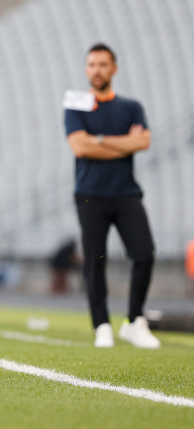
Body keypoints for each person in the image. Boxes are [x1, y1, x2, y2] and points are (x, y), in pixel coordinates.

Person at [65, 43, 160, 349]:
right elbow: (80, 147)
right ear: (85, 69)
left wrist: (100, 142)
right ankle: (102, 325)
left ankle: (134, 321)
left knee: (144, 254)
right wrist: (123, 142)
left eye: (103, 65)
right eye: (92, 65)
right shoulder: (76, 105)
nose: (97, 70)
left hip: (126, 193)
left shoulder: (131, 107)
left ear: (114, 69)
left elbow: (143, 142)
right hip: (90, 194)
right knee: (95, 260)